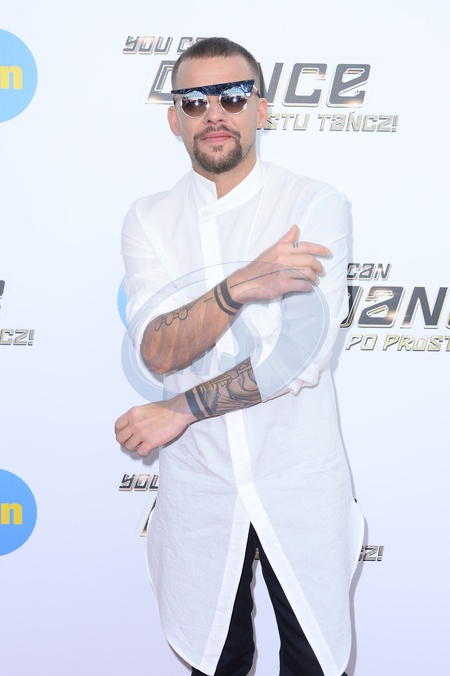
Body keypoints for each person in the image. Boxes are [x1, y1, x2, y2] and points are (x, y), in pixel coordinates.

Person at [115, 37, 363, 676]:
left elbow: (298, 358)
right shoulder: (148, 219)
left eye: (231, 96)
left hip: (297, 483)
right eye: (194, 101)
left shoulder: (313, 204)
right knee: (215, 663)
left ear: (261, 108)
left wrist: (180, 409)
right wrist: (239, 286)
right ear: (175, 118)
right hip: (200, 491)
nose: (214, 113)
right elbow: (159, 350)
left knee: (313, 663)